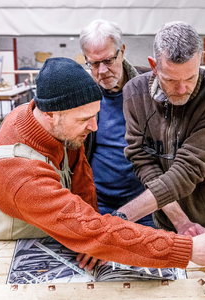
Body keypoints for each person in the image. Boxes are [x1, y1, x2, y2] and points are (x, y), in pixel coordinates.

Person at [0, 57, 205, 271]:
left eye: (95, 115)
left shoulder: (52, 125)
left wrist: (92, 238)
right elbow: (90, 229)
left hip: (57, 240)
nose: (94, 127)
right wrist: (186, 250)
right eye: (85, 119)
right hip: (14, 254)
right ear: (50, 115)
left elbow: (81, 182)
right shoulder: (17, 173)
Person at [116, 21, 205, 236]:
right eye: (170, 79)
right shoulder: (135, 94)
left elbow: (188, 169)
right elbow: (142, 159)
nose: (181, 90)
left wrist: (121, 218)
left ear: (201, 59)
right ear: (154, 65)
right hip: (168, 223)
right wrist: (179, 221)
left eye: (190, 77)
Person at [80, 20, 154, 227]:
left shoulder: (151, 89)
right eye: (94, 63)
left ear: (121, 52)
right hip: (98, 205)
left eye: (108, 61)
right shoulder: (83, 95)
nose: (102, 70)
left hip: (145, 205)